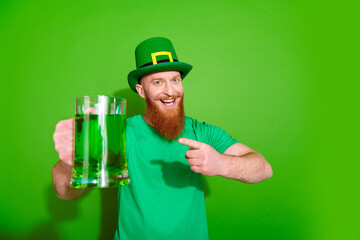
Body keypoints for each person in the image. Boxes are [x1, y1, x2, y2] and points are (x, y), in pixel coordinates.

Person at [52, 37, 273, 240]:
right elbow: (65, 193)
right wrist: (71, 162)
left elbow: (263, 169)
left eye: (175, 80)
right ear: (141, 90)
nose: (170, 91)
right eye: (158, 82)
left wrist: (222, 163)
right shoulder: (118, 133)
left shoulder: (201, 132)